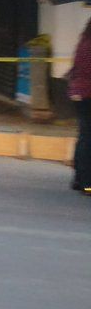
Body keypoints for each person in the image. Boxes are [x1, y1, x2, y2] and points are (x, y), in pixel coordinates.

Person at [68, 17, 91, 197]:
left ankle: (79, 179)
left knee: (84, 136)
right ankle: (87, 183)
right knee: (88, 138)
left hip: (79, 93)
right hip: (88, 93)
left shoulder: (84, 41)